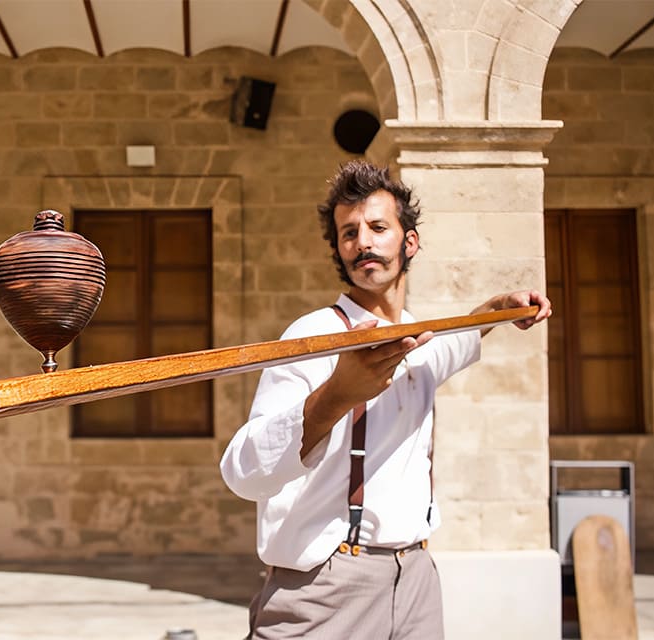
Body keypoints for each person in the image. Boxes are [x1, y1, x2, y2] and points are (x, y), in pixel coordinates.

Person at [219, 160, 551, 639]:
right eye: (349, 232)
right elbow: (243, 471)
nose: (364, 242)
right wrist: (336, 395)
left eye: (378, 227)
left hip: (414, 579)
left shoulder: (421, 340)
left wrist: (497, 310)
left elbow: (455, 341)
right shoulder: (313, 335)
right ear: (338, 247)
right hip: (326, 585)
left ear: (409, 241)